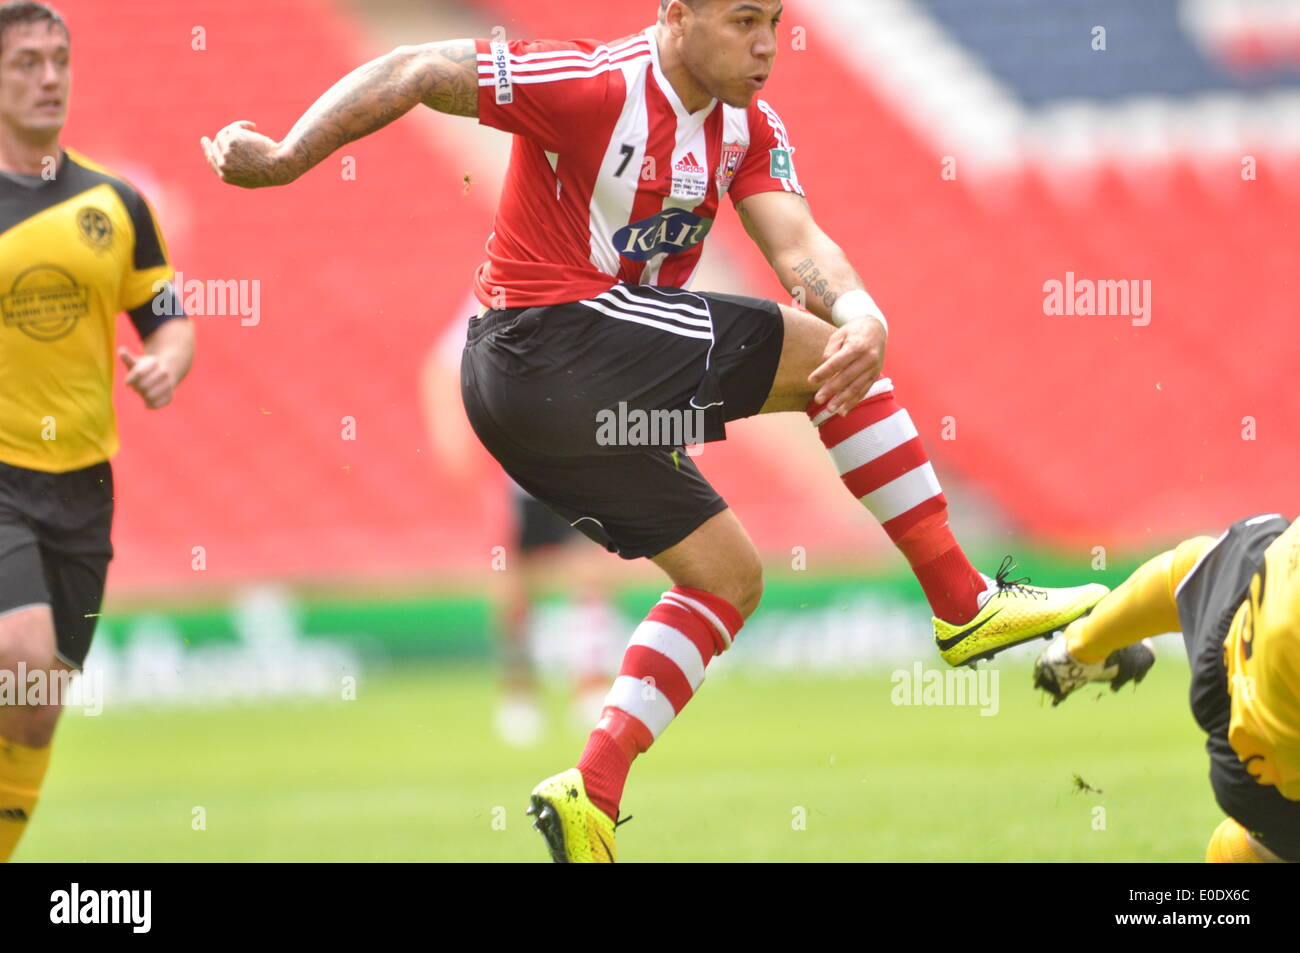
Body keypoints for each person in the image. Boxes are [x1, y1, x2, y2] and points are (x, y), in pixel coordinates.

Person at [201, 0, 1106, 862]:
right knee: (830, 363)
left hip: (556, 401)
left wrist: (863, 305)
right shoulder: (595, 87)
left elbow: (797, 243)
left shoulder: (750, 129)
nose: (766, 45)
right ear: (675, 17)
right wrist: (284, 157)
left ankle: (590, 791)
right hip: (536, 346)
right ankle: (962, 599)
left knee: (729, 578)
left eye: (777, 24)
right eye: (742, 21)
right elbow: (413, 68)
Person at [0, 1, 194, 861]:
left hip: (82, 485)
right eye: (25, 63)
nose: (48, 78)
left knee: (37, 709)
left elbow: (169, 318)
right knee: (22, 654)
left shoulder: (115, 203)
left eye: (58, 61)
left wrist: (167, 363)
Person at [1035, 513, 1299, 863]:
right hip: (1270, 765)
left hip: (1240, 693)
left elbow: (1184, 571)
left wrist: (1081, 646)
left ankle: (1076, 651)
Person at [421, 297, 621, 746]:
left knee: (588, 564)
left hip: (570, 459)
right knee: (513, 582)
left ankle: (590, 685)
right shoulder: (488, 298)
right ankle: (519, 693)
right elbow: (442, 365)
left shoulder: (573, 292)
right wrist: (451, 432)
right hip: (513, 470)